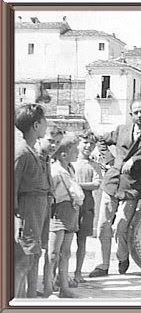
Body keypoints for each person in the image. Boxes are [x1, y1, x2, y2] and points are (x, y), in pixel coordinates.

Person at [89, 100, 141, 278]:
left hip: (132, 185)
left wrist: (137, 161)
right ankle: (103, 265)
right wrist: (109, 161)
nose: (140, 115)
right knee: (102, 226)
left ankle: (123, 258)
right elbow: (102, 140)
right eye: (136, 112)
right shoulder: (121, 130)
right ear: (131, 114)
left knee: (120, 227)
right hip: (112, 182)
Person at [14, 103, 49, 298]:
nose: (46, 125)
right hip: (25, 216)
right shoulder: (22, 153)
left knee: (26, 264)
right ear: (36, 125)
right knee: (20, 264)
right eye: (44, 121)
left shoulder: (32, 151)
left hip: (34, 215)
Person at [48, 133, 85, 298]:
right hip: (59, 213)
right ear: (63, 154)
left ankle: (63, 287)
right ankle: (48, 289)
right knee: (53, 254)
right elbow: (50, 194)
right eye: (74, 150)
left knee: (66, 252)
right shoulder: (55, 171)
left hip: (71, 212)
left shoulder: (70, 168)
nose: (78, 152)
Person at [33, 124, 64, 298]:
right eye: (51, 141)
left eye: (57, 143)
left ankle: (33, 291)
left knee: (38, 251)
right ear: (40, 138)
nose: (54, 146)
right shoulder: (33, 156)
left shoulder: (46, 159)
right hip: (32, 210)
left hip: (44, 209)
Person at [72, 131, 102, 284]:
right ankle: (59, 274)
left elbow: (96, 184)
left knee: (82, 241)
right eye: (85, 142)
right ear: (78, 143)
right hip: (70, 205)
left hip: (87, 205)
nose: (88, 146)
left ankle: (78, 272)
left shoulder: (94, 165)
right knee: (64, 241)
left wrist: (77, 185)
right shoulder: (71, 163)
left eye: (91, 143)